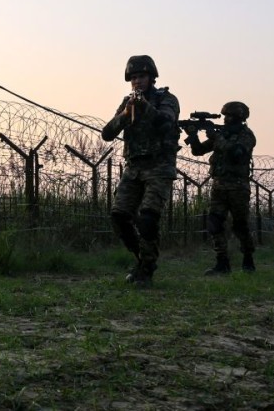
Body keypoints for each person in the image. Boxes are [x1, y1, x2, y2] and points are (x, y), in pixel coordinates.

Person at [101, 55, 180, 286]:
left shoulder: (166, 99)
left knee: (147, 217)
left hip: (159, 166)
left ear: (152, 77)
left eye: (142, 76)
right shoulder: (128, 102)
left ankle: (146, 268)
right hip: (134, 167)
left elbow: (167, 124)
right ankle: (141, 258)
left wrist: (146, 108)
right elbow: (107, 133)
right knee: (119, 215)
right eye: (133, 78)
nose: (137, 82)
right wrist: (125, 115)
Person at [184, 101, 257, 275]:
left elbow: (237, 154)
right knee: (215, 223)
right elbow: (198, 151)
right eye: (225, 116)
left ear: (239, 117)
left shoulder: (246, 135)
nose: (225, 119)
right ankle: (222, 263)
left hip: (238, 187)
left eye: (229, 116)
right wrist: (193, 135)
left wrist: (217, 138)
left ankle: (248, 258)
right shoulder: (221, 134)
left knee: (240, 225)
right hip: (219, 186)